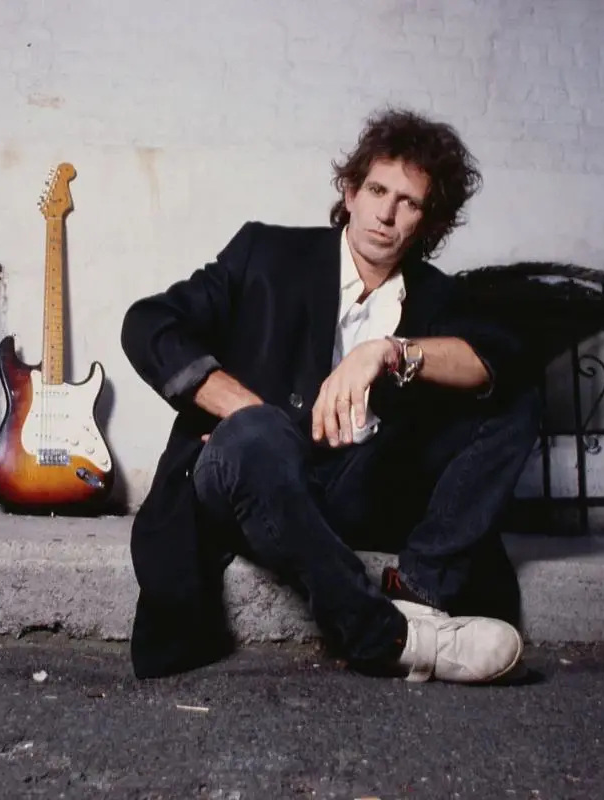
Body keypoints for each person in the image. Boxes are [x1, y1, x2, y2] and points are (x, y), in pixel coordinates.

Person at [119, 107, 542, 683]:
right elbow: (149, 323)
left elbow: (500, 363)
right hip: (249, 478)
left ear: (429, 221)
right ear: (351, 189)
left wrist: (388, 352)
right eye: (376, 189)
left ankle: (419, 591)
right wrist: (244, 409)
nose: (386, 214)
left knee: (514, 396)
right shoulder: (266, 255)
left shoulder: (440, 297)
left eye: (409, 203)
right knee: (256, 437)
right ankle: (378, 634)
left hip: (358, 486)